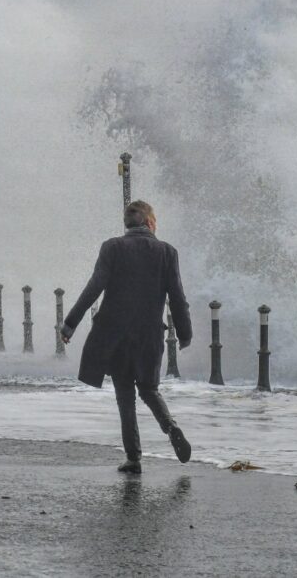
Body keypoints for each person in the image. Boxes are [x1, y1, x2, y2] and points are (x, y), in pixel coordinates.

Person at [60, 200, 193, 473]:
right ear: (150, 223)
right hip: (150, 336)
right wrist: (185, 333)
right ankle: (171, 427)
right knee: (149, 389)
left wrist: (71, 323)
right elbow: (178, 298)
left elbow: (93, 288)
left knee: (124, 394)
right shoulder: (167, 252)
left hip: (117, 336)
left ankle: (133, 458)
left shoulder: (112, 247)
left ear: (127, 224)